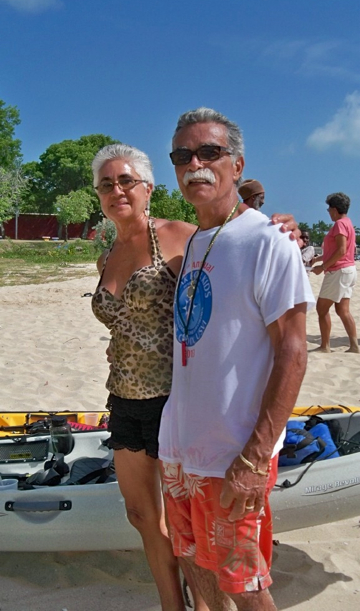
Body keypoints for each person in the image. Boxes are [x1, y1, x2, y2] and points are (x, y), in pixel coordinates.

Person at [91, 142, 302, 611]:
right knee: (143, 515)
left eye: (126, 181)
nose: (117, 190)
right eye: (106, 184)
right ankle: (173, 605)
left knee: (199, 529)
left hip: (176, 399)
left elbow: (232, 239)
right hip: (123, 398)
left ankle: (206, 604)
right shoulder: (105, 255)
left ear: (147, 188)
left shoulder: (180, 236)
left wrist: (281, 226)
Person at [158, 107, 315, 611]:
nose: (195, 164)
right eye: (183, 155)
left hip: (233, 453)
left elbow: (292, 352)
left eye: (210, 152)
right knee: (194, 562)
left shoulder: (270, 241)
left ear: (238, 164)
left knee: (244, 586)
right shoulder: (195, 240)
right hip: (180, 449)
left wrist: (254, 456)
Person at [311, 192, 359, 353]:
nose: (328, 212)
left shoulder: (339, 224)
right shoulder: (348, 223)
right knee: (342, 310)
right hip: (348, 270)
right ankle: (354, 345)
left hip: (338, 271)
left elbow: (341, 250)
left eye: (329, 209)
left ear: (335, 209)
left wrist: (322, 267)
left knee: (321, 309)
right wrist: (318, 259)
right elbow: (340, 251)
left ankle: (325, 346)